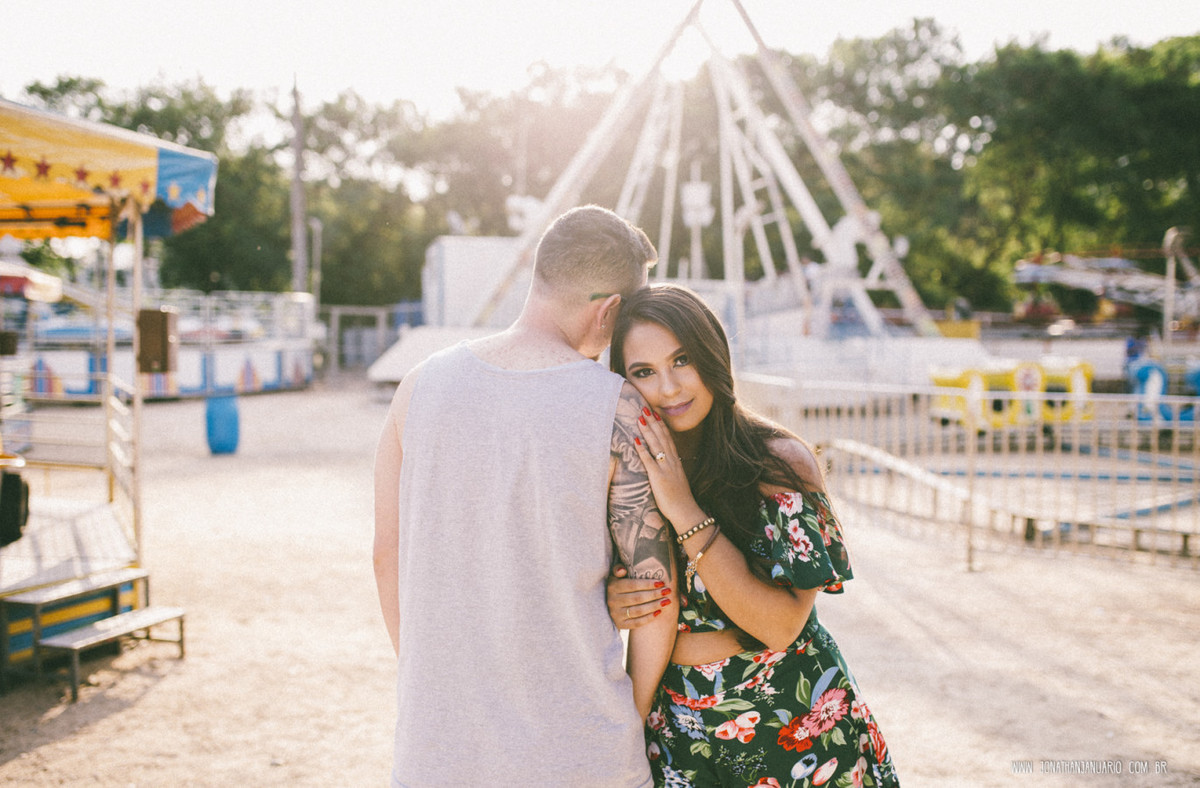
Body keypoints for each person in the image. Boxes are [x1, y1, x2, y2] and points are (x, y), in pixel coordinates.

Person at [373, 205, 678, 788]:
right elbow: (656, 601)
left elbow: (386, 556)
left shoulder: (418, 385)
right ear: (610, 309)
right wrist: (622, 726)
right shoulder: (618, 408)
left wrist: (438, 694)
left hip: (436, 752)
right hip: (581, 755)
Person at [606, 284, 900, 787]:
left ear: (712, 354)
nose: (670, 387)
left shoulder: (779, 464)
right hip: (678, 725)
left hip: (795, 718)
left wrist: (683, 511)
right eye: (644, 372)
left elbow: (783, 625)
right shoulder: (628, 474)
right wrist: (615, 597)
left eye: (682, 360)